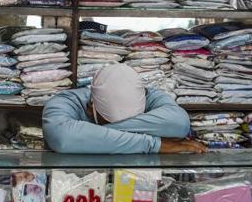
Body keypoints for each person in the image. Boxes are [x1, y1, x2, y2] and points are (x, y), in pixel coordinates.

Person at [42, 63, 207, 154]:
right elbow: (63, 139)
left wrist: (92, 135)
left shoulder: (148, 95)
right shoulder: (64, 103)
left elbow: (179, 124)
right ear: (91, 108)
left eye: (136, 120)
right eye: (109, 122)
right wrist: (153, 144)